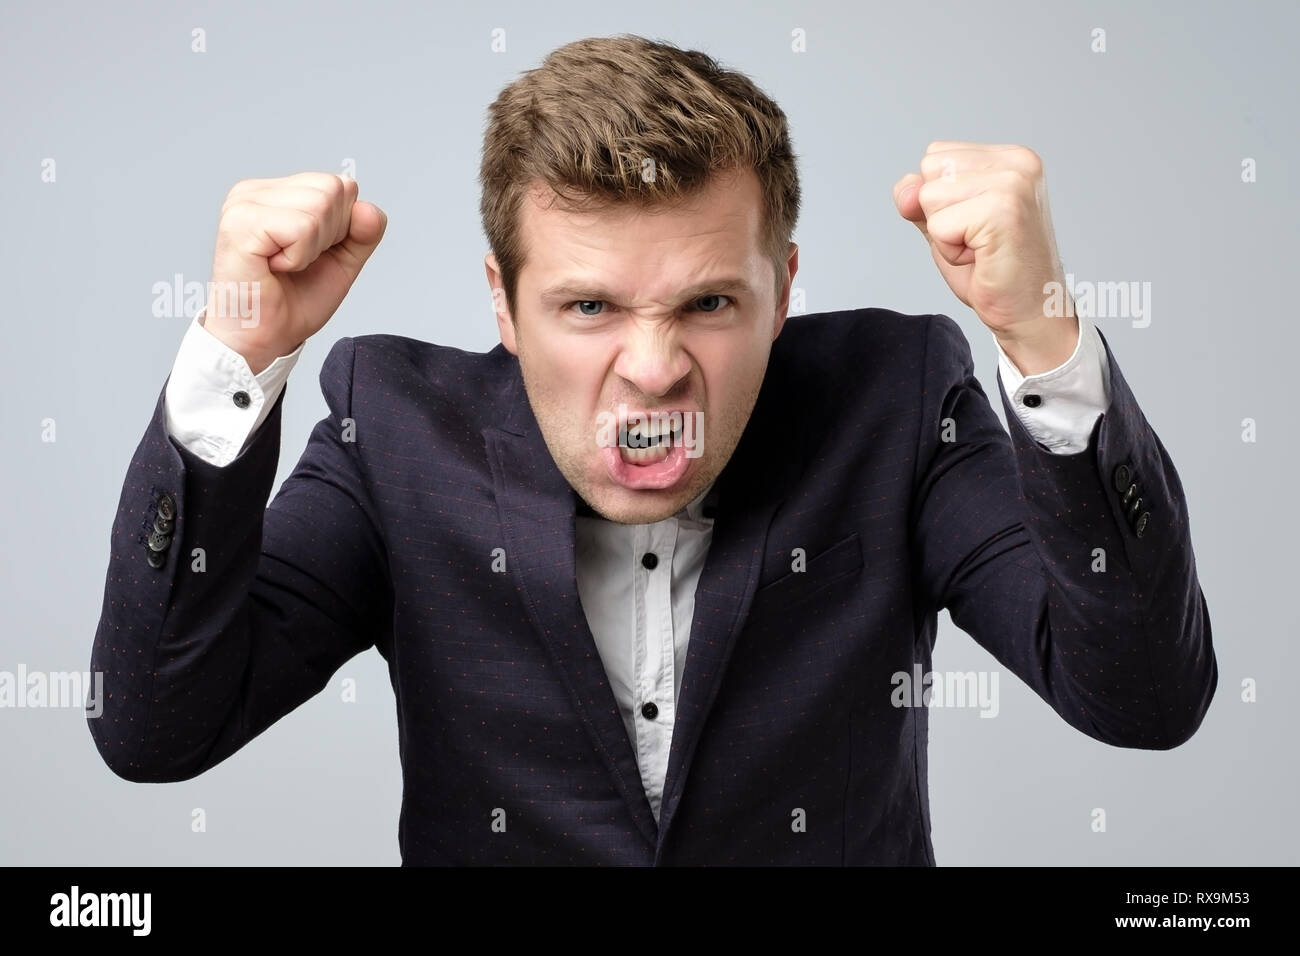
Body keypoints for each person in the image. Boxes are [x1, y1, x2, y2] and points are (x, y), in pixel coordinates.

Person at [88, 34, 1216, 865]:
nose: (654, 367)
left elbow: (1144, 697)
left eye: (710, 303)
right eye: (588, 308)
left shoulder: (896, 400)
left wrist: (1041, 332)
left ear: (782, 293)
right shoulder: (394, 432)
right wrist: (236, 351)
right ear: (503, 302)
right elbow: (153, 728)